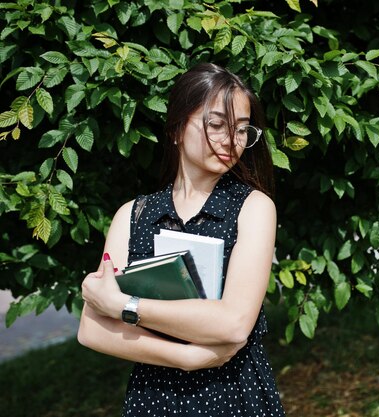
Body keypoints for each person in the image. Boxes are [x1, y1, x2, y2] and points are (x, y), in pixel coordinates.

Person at [78, 63, 286, 416]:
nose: (230, 141)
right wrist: (187, 357)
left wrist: (125, 307)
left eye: (241, 130)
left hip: (234, 393)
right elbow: (92, 330)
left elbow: (234, 324)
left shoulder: (253, 208)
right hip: (153, 399)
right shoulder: (134, 215)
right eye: (217, 125)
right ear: (176, 129)